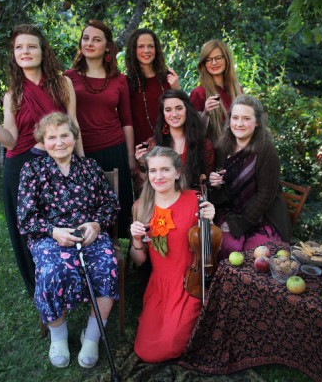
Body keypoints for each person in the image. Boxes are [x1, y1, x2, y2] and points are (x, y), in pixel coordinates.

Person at [0, 24, 83, 296]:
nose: (25, 51)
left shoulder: (63, 84)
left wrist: (82, 164)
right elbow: (10, 141)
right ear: (14, 55)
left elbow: (74, 125)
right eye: (19, 47)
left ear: (43, 51)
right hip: (20, 166)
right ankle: (38, 286)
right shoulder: (12, 94)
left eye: (31, 46)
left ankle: (71, 280)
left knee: (62, 221)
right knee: (28, 229)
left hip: (57, 163)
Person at [17, 112, 120, 369]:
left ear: (74, 138)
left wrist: (96, 224)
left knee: (106, 265)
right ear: (43, 142)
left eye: (65, 135)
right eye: (52, 137)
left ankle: (92, 337)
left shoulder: (90, 167)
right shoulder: (32, 170)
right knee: (52, 270)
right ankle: (59, 337)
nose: (59, 142)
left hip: (89, 235)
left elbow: (110, 204)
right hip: (50, 237)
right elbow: (25, 218)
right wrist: (53, 231)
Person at [130, 146, 215, 363]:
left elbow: (209, 245)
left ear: (177, 172)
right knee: (146, 349)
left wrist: (210, 220)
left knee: (170, 344)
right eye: (153, 170)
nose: (158, 176)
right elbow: (139, 260)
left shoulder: (195, 200)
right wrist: (137, 239)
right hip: (158, 286)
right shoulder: (141, 207)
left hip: (189, 283)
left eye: (165, 170)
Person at [65, 19, 134, 237]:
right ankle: (88, 245)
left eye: (96, 40)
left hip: (114, 149)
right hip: (82, 151)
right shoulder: (68, 77)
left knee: (115, 207)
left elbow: (127, 120)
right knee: (86, 206)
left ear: (107, 46)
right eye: (86, 38)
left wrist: (130, 158)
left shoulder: (119, 80)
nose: (90, 43)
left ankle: (114, 247)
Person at [208, 95, 291, 261]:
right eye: (235, 118)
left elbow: (265, 196)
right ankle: (225, 279)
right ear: (229, 120)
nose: (239, 123)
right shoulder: (222, 147)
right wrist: (215, 183)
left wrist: (240, 224)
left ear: (257, 122)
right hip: (230, 212)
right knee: (228, 246)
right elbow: (220, 191)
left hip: (263, 217)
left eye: (246, 118)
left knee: (257, 254)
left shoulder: (266, 151)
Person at [134, 89, 215, 191]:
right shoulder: (153, 144)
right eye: (168, 110)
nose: (174, 114)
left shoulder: (204, 145)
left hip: (193, 198)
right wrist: (142, 164)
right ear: (163, 114)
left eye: (179, 108)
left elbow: (208, 183)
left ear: (187, 110)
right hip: (162, 198)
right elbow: (143, 185)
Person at [125, 28, 180, 146]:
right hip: (143, 147)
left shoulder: (169, 77)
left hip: (172, 144)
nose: (146, 50)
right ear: (133, 50)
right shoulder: (126, 82)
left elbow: (183, 110)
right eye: (141, 46)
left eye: (151, 46)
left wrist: (176, 89)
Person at [189, 39, 243, 144]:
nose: (214, 63)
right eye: (208, 60)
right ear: (203, 64)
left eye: (218, 58)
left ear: (226, 59)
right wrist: (206, 113)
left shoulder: (238, 90)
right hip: (214, 151)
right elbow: (194, 134)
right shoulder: (198, 93)